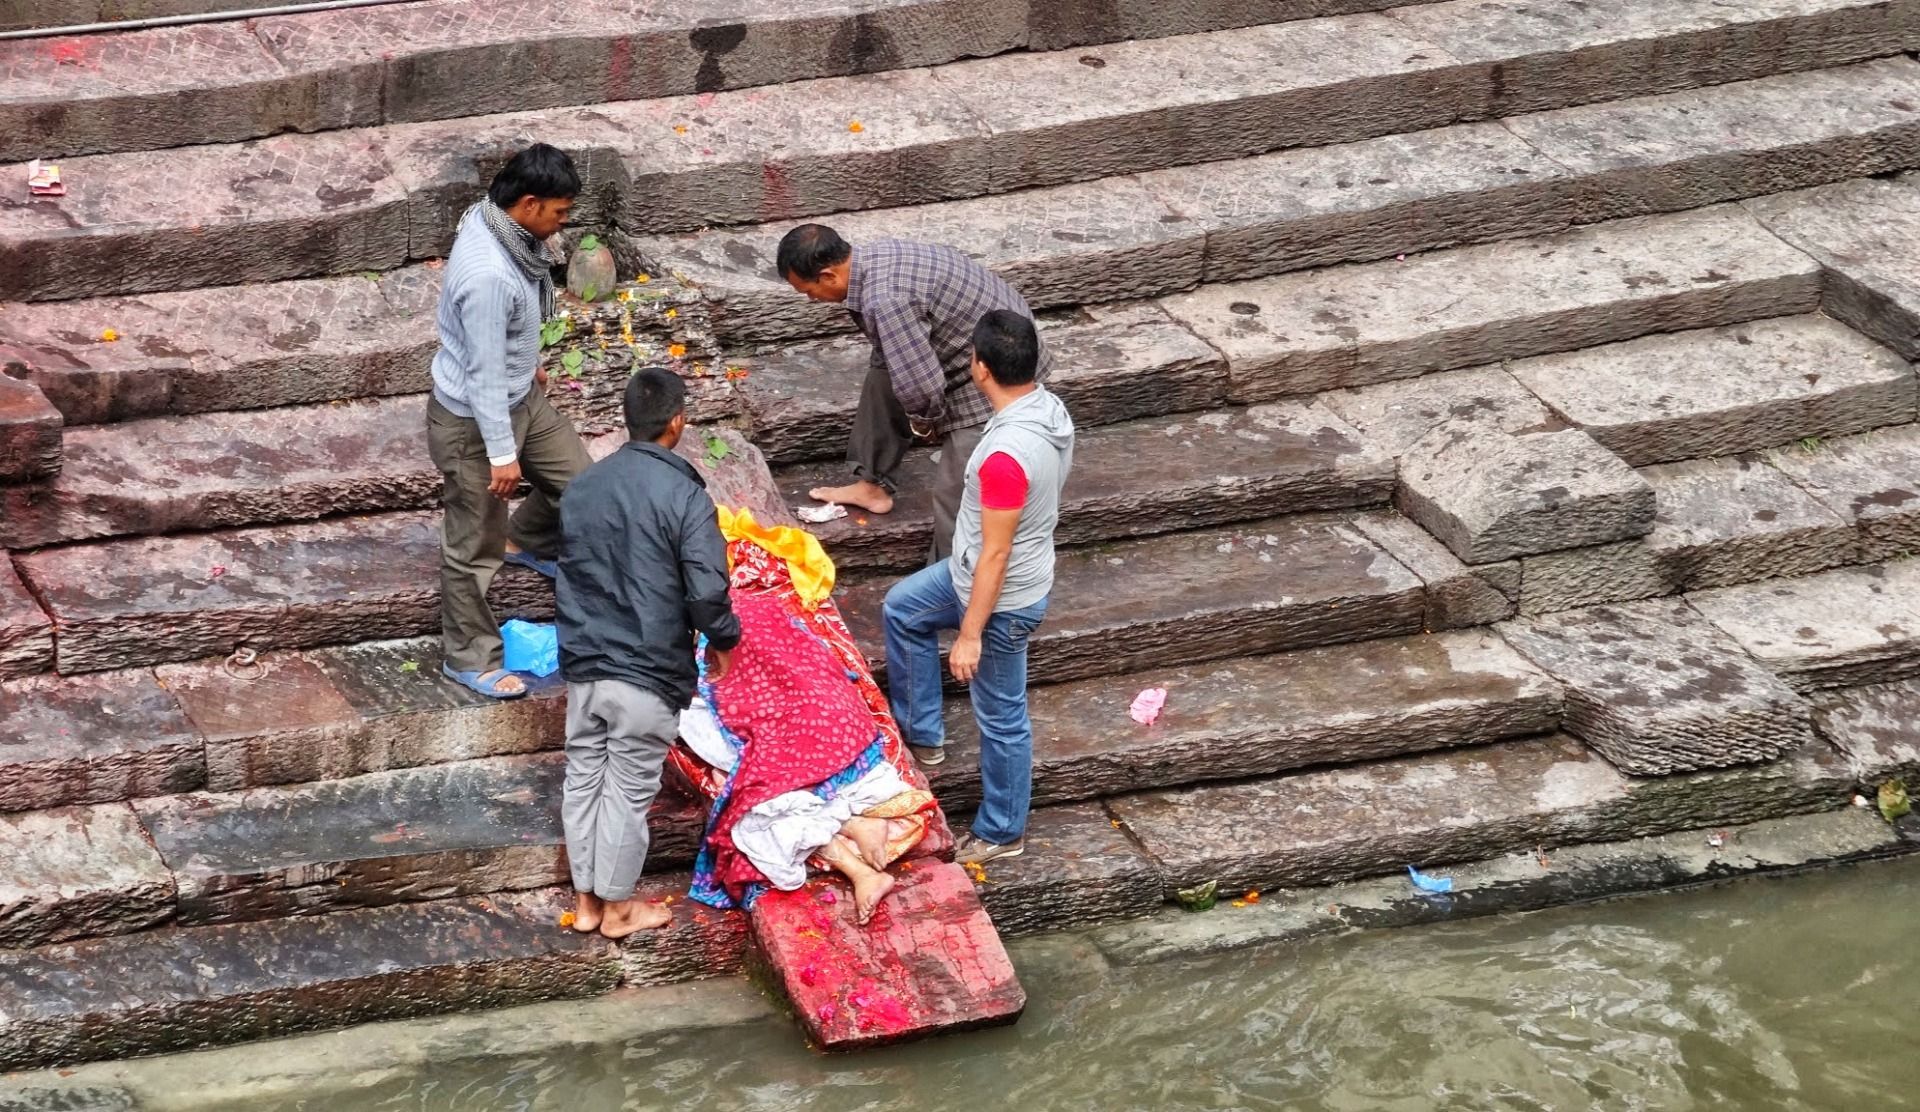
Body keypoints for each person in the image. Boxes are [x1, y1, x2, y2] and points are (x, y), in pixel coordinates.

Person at [880, 311, 1074, 866]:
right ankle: (924, 735)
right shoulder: (1047, 407)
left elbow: (997, 551)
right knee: (903, 608)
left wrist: (970, 634)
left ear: (981, 369)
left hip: (1002, 598)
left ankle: (1002, 830)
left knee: (1002, 715)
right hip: (973, 573)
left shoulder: (1006, 459)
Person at [554, 368, 742, 939]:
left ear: (628, 422)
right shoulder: (684, 495)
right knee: (628, 791)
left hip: (586, 665)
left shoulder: (584, 486)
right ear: (678, 422)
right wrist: (725, 640)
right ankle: (617, 911)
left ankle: (586, 905)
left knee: (584, 776)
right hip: (647, 669)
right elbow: (707, 589)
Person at [776, 224, 1053, 560]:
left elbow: (921, 385)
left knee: (960, 493)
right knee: (882, 377)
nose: (811, 299)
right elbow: (899, 358)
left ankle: (955, 581)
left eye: (807, 291)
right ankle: (871, 485)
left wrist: (925, 423)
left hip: (999, 374)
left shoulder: (886, 298)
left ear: (828, 276)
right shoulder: (871, 259)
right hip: (964, 345)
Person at [427, 142, 593, 700]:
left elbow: (506, 338)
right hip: (475, 420)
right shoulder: (489, 275)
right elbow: (480, 371)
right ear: (527, 203)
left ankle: (526, 539)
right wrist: (502, 453)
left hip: (520, 394)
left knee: (583, 486)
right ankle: (469, 656)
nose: (563, 223)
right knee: (473, 546)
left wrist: (531, 364)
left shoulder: (496, 221)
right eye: (559, 212)